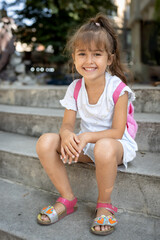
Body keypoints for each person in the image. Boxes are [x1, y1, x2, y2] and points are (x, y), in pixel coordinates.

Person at [36, 13, 138, 236]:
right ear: (74, 57)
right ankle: (68, 198)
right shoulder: (74, 87)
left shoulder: (117, 88)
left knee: (103, 146)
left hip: (114, 146)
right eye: (82, 53)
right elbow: (67, 124)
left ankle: (105, 204)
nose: (88, 60)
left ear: (109, 59)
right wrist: (66, 136)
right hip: (87, 145)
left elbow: (118, 131)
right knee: (45, 142)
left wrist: (87, 137)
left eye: (97, 54)